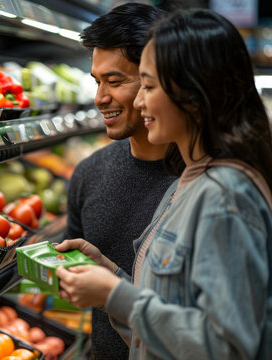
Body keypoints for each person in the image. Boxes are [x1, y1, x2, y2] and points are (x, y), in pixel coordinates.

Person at [56, 9, 272, 359]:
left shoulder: (224, 194)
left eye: (148, 85)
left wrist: (114, 295)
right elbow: (168, 314)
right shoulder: (191, 181)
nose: (139, 101)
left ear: (192, 95)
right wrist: (111, 277)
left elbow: (226, 347)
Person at [63, 3, 176, 359]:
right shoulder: (88, 174)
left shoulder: (199, 185)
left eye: (115, 81)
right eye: (97, 81)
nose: (100, 99)